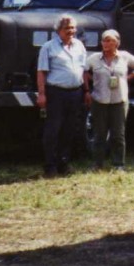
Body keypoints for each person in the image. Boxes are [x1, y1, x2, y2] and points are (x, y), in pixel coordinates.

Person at [84, 29, 134, 170]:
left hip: (119, 100)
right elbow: (83, 70)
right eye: (104, 40)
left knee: (118, 134)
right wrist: (88, 87)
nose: (105, 43)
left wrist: (127, 78)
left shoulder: (124, 57)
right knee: (99, 134)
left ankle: (118, 164)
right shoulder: (94, 58)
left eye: (109, 40)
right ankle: (97, 164)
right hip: (99, 100)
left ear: (117, 43)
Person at [36, 14, 88, 177]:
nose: (71, 31)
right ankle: (49, 166)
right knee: (53, 129)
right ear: (59, 30)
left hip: (75, 92)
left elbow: (84, 71)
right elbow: (41, 72)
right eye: (67, 28)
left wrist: (86, 91)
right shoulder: (48, 47)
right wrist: (42, 94)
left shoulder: (79, 45)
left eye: (73, 28)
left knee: (70, 129)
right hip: (56, 93)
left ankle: (63, 164)